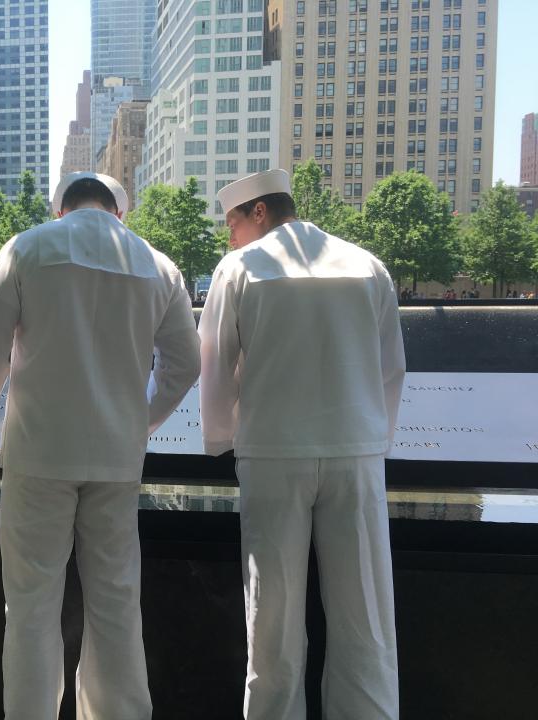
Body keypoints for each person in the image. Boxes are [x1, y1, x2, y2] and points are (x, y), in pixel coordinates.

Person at [0, 172, 200, 720]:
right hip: (116, 459)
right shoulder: (159, 266)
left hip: (39, 455)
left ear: (60, 210)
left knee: (32, 608)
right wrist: (139, 422)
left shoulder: (28, 248)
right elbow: (184, 366)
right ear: (119, 214)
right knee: (116, 604)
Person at [198, 169, 406, 720]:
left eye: (233, 223)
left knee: (272, 619)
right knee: (366, 613)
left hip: (273, 451)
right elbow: (391, 369)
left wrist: (220, 437)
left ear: (258, 212)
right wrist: (374, 439)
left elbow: (215, 366)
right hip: (355, 451)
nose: (230, 236)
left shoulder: (239, 269)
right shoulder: (366, 265)